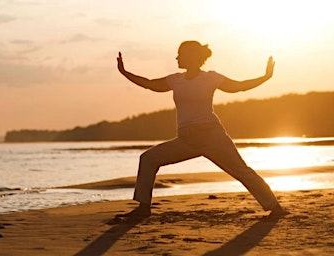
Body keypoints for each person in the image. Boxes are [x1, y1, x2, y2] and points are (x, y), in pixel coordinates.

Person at [117, 40, 287, 218]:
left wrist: (265, 77)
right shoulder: (175, 80)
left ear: (191, 56)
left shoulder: (210, 78)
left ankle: (275, 208)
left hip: (212, 137)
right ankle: (143, 208)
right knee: (148, 159)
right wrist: (124, 72)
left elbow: (238, 87)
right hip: (186, 140)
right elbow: (149, 84)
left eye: (180, 54)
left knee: (241, 171)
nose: (177, 57)